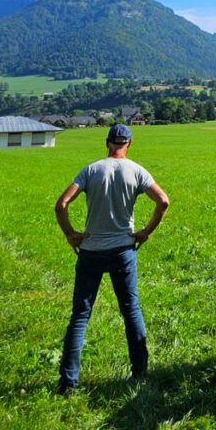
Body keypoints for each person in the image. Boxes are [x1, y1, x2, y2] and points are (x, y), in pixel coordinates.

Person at [54, 123, 170, 394]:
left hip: (91, 251)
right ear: (129, 143)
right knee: (131, 311)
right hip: (123, 251)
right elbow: (163, 201)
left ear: (107, 142)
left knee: (80, 315)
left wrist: (70, 234)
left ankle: (68, 382)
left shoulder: (91, 170)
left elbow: (61, 204)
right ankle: (140, 372)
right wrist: (145, 232)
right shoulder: (137, 171)